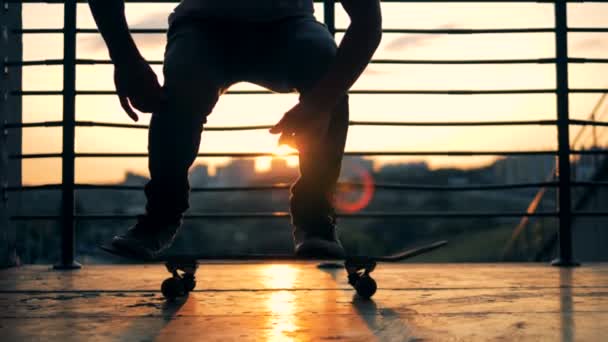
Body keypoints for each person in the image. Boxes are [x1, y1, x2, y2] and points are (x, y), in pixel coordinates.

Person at [88, 0, 382, 259]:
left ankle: (315, 215)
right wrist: (125, 60)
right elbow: (367, 21)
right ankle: (161, 215)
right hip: (203, 26)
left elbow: (368, 20)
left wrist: (320, 101)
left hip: (288, 25)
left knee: (327, 69)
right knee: (185, 76)